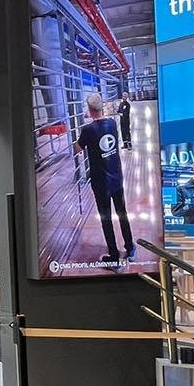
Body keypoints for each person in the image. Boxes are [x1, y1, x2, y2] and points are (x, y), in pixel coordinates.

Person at [74, 91, 134, 266]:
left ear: (89, 109)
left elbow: (78, 148)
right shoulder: (112, 123)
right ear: (102, 107)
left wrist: (87, 123)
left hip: (101, 182)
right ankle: (130, 247)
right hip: (116, 178)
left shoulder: (88, 130)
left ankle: (114, 255)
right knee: (122, 213)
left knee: (106, 218)